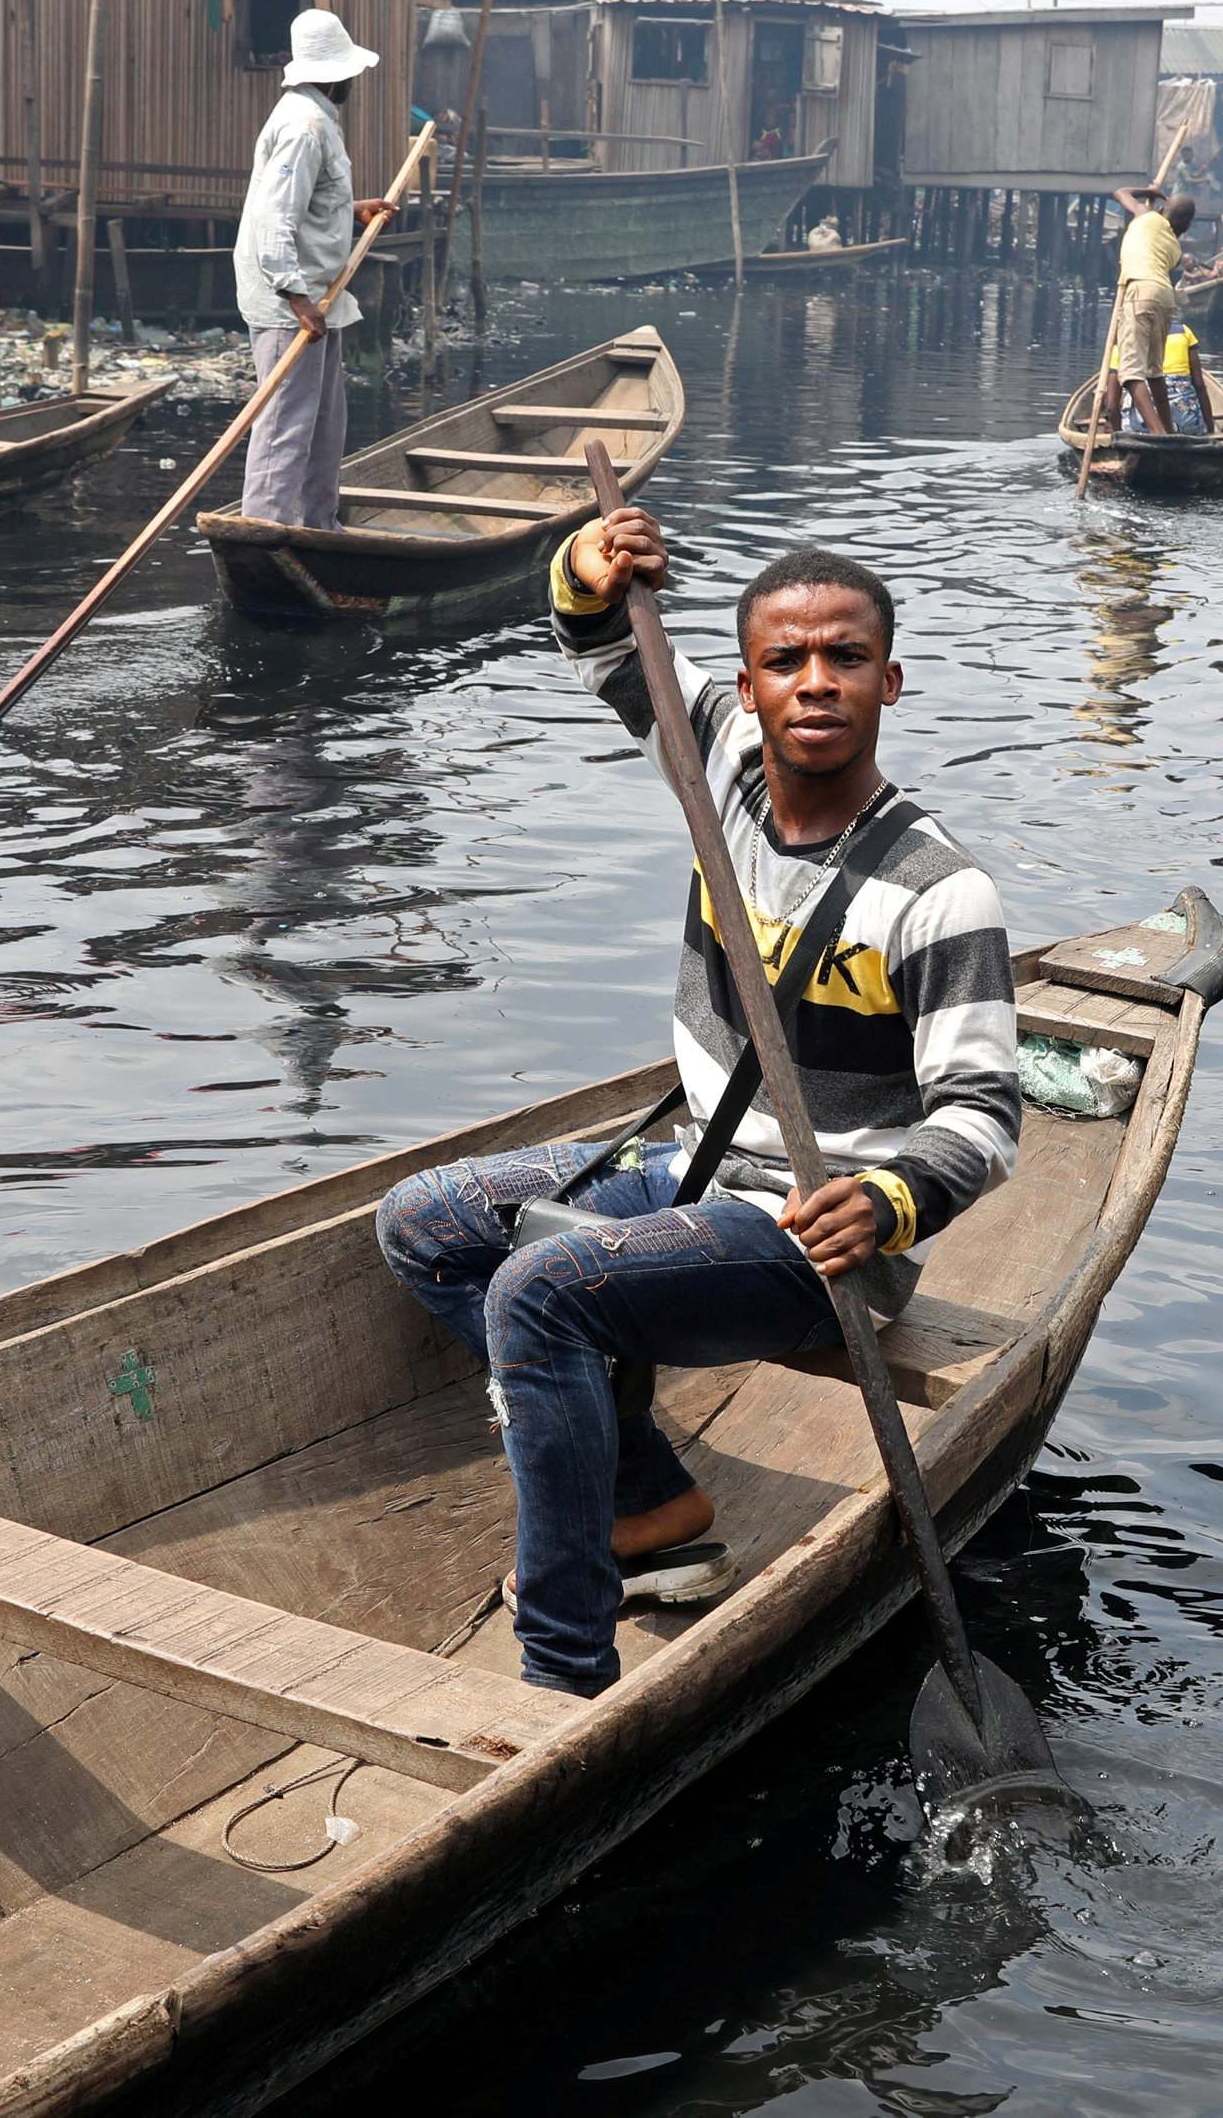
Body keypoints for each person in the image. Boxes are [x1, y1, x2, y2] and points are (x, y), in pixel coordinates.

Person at [374, 512, 1024, 1698]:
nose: (814, 682)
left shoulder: (939, 891)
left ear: (888, 680)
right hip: (701, 1167)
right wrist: (584, 569)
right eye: (786, 661)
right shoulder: (715, 758)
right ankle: (643, 1503)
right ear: (749, 684)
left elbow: (982, 1112)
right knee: (426, 1219)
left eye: (844, 658)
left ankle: (561, 1665)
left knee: (538, 1290)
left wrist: (886, 1200)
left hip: (815, 1236)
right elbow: (606, 647)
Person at [235, 8, 396, 530]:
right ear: (336, 74)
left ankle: (317, 524)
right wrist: (295, 296)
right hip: (291, 300)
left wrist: (353, 210)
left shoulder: (316, 118)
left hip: (317, 294)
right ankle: (265, 530)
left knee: (325, 423)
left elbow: (307, 203)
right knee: (285, 423)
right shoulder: (304, 126)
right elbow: (275, 217)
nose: (353, 81)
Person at [1099, 184, 1193, 436]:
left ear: (1162, 210)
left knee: (1130, 374)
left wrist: (1150, 191)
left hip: (1140, 290)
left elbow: (1120, 192)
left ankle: (1158, 434)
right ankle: (1168, 430)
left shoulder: (1147, 216)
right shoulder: (1175, 247)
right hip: (1165, 296)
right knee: (1154, 371)